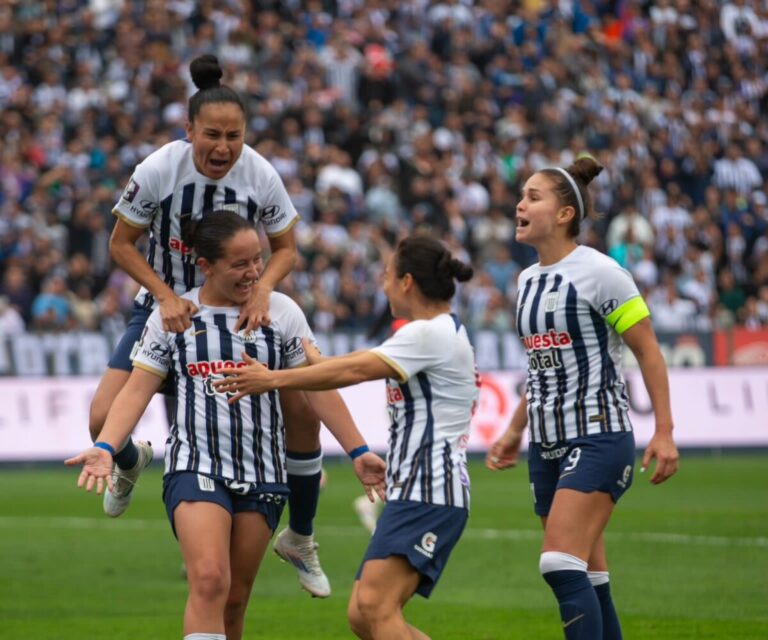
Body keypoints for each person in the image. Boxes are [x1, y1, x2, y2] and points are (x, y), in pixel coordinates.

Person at [66, 212, 386, 640]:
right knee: (210, 579)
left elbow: (318, 388)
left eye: (257, 259)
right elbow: (136, 391)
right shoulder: (175, 316)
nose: (254, 272)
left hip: (263, 475)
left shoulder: (283, 312)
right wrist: (106, 446)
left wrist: (359, 450)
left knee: (235, 599)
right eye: (240, 264)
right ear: (206, 266)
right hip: (195, 467)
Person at [89, 54, 331, 596]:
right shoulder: (157, 170)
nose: (223, 148)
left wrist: (264, 288)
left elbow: (287, 248)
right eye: (212, 135)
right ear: (188, 131)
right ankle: (130, 463)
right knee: (103, 417)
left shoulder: (260, 173)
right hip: (166, 311)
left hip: (244, 312)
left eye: (234, 136)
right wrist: (164, 296)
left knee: (303, 413)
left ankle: (302, 534)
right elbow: (120, 244)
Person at [214, 234, 478, 640]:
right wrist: (319, 365)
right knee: (362, 614)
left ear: (407, 282)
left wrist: (273, 378)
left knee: (375, 607)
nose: (382, 283)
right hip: (416, 489)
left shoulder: (430, 333)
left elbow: (354, 371)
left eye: (387, 275)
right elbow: (355, 363)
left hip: (432, 489)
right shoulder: (433, 332)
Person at [486, 157, 680, 640]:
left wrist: (665, 430)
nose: (519, 204)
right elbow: (542, 368)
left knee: (557, 562)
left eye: (533, 196)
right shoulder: (527, 282)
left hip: (597, 436)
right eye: (521, 195)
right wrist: (514, 429)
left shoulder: (602, 273)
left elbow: (648, 351)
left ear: (565, 213)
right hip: (546, 445)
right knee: (589, 575)